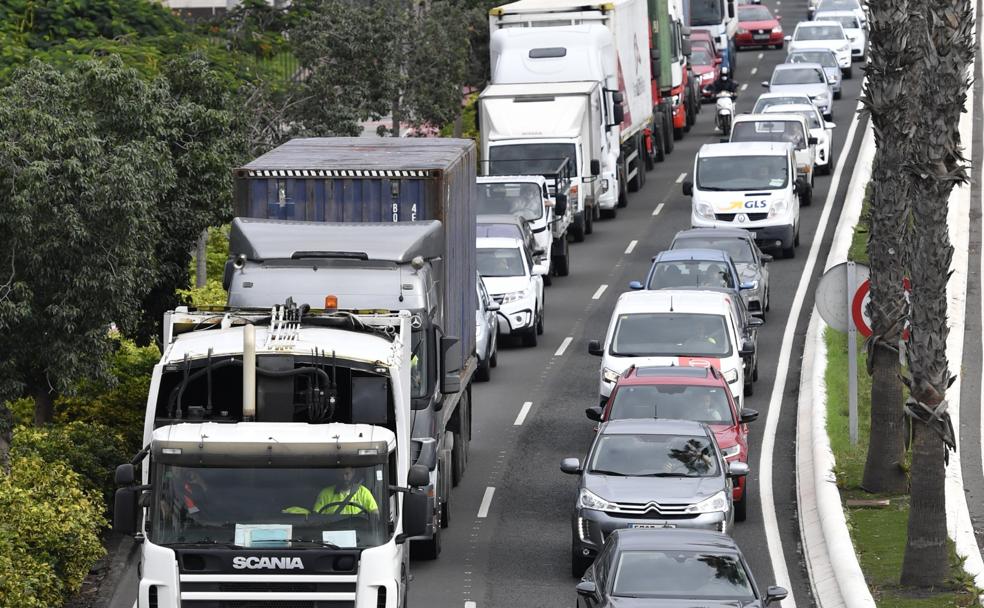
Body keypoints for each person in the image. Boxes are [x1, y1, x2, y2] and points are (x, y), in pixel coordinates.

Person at [284, 467, 378, 516]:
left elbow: (375, 514)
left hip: (359, 538)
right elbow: (316, 516)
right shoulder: (325, 493)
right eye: (341, 474)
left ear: (353, 473)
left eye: (347, 474)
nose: (344, 477)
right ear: (337, 475)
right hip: (330, 538)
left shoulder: (364, 492)